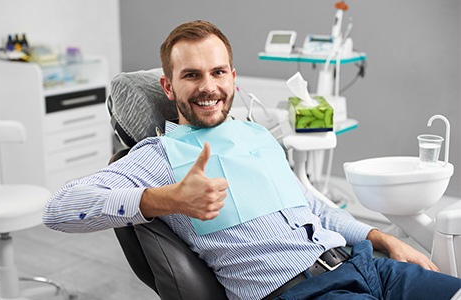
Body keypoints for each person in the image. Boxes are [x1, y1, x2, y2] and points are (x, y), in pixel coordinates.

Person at [43, 20, 461, 300]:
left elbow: (313, 207)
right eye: (192, 75)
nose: (208, 87)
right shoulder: (158, 155)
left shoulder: (256, 134)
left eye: (218, 72)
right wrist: (166, 199)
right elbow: (58, 209)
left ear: (232, 77)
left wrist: (382, 239)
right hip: (301, 292)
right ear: (168, 88)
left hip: (365, 266)